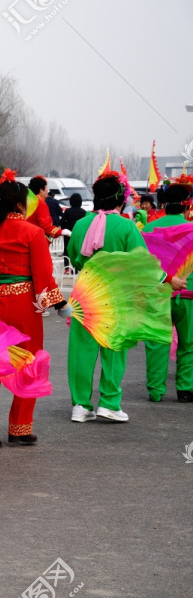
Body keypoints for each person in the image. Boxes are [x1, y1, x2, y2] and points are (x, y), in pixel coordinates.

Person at [66, 171, 185, 422]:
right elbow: (143, 263)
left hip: (85, 293)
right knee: (114, 347)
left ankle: (80, 405)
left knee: (82, 352)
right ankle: (109, 403)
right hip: (116, 296)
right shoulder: (126, 226)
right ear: (120, 199)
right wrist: (169, 280)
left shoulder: (79, 225)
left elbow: (75, 258)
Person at [0, 170, 68, 448]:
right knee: (27, 363)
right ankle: (19, 428)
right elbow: (43, 277)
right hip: (24, 306)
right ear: (20, 205)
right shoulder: (33, 232)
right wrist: (60, 304)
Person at [143, 176, 193, 402]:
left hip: (157, 295)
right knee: (189, 344)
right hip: (188, 296)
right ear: (186, 205)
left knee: (156, 343)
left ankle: (155, 391)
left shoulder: (149, 229)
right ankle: (185, 389)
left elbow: (143, 265)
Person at [26, 175, 67, 239]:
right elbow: (45, 225)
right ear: (41, 190)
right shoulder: (40, 204)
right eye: (46, 187)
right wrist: (62, 232)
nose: (47, 191)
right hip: (37, 239)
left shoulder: (26, 202)